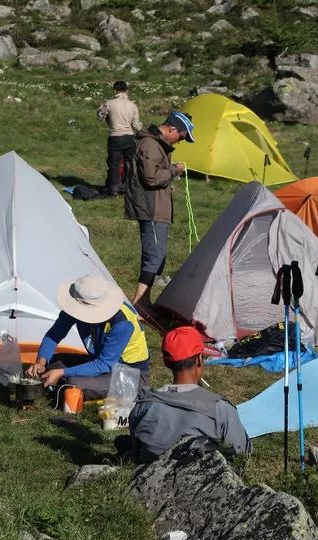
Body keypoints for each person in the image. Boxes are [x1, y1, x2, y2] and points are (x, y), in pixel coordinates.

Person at [129, 326, 251, 462]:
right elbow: (241, 454)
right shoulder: (220, 409)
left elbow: (135, 447)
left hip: (149, 475)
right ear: (199, 359)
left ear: (166, 362)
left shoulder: (143, 404)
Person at [25, 275, 150, 399]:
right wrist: (41, 362)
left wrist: (63, 372)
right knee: (52, 361)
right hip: (98, 360)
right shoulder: (74, 308)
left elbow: (104, 364)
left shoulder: (122, 323)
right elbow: (54, 335)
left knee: (73, 384)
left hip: (129, 372)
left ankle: (64, 385)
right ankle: (59, 380)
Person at [125, 111, 195, 315]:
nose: (180, 141)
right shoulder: (150, 145)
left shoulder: (157, 145)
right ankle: (139, 304)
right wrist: (175, 170)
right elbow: (151, 178)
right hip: (151, 208)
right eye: (181, 136)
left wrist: (168, 182)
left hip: (156, 207)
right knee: (154, 256)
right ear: (172, 129)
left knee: (159, 256)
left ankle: (144, 301)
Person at [97, 80, 141, 196]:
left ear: (115, 90)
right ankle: (130, 187)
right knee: (131, 164)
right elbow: (136, 124)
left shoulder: (109, 103)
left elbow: (100, 117)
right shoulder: (133, 105)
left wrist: (99, 108)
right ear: (127, 91)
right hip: (129, 137)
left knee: (114, 164)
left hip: (115, 137)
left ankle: (114, 189)